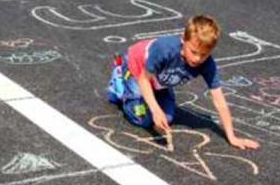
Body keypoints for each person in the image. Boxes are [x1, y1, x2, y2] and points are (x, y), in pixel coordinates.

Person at [106, 15, 260, 150]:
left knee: (167, 119)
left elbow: (219, 101)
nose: (197, 59)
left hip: (161, 80)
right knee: (143, 119)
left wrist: (232, 137)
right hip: (137, 70)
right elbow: (143, 79)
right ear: (183, 39)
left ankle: (154, 93)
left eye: (204, 54)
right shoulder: (164, 49)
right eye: (193, 51)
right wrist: (155, 109)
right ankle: (119, 80)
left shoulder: (207, 64)